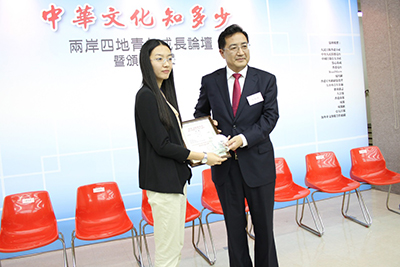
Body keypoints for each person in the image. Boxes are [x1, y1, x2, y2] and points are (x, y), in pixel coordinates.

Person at [135, 39, 226, 267]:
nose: (166, 64)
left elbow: (176, 136)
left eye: (169, 58)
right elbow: (162, 145)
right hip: (163, 183)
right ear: (146, 62)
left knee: (175, 245)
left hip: (174, 180)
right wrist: (205, 157)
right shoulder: (146, 96)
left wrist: (207, 130)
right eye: (159, 59)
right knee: (167, 251)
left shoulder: (162, 94)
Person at [194, 24, 279, 267]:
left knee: (264, 227)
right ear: (222, 52)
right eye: (233, 47)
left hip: (258, 164)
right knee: (234, 227)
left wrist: (243, 139)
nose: (240, 52)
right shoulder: (210, 81)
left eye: (244, 46)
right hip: (225, 167)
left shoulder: (265, 80)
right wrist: (212, 133)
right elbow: (200, 115)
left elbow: (270, 117)